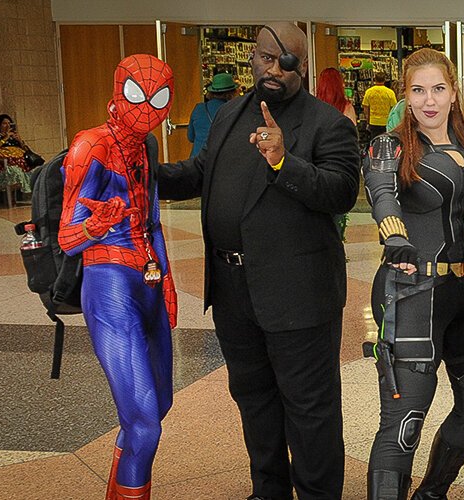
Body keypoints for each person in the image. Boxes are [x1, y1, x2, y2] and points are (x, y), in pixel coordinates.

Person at [153, 22, 360, 500]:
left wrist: (284, 161)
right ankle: (269, 491)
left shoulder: (327, 124)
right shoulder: (229, 115)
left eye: (284, 61)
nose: (272, 69)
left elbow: (341, 192)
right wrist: (145, 173)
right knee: (254, 401)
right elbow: (199, 172)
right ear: (252, 58)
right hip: (233, 291)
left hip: (299, 296)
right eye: (265, 58)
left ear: (302, 66)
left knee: (310, 410)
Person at [361, 48, 464, 500]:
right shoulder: (392, 147)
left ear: (455, 93)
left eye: (438, 89)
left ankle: (432, 493)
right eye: (418, 90)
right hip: (412, 288)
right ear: (406, 96)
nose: (429, 100)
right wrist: (394, 236)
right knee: (404, 422)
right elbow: (382, 194)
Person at [57, 54, 177, 500]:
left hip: (146, 278)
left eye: (158, 97)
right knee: (144, 422)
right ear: (118, 90)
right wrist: (96, 225)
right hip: (108, 280)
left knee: (156, 408)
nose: (147, 107)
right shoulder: (90, 146)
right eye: (137, 94)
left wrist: (165, 282)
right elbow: (67, 239)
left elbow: (153, 221)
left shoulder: (147, 147)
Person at [0, 114, 37, 192]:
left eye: (9, 123)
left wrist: (20, 141)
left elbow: (26, 150)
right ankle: (11, 198)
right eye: (4, 123)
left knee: (33, 172)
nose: (7, 125)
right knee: (15, 172)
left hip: (20, 163)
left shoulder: (14, 136)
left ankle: (31, 195)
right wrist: (5, 139)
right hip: (2, 164)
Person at [188, 73, 237, 158]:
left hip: (196, 161)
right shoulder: (234, 110)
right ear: (232, 93)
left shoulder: (199, 109)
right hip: (220, 161)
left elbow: (191, 137)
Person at [362, 74, 397, 140]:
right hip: (386, 122)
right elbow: (394, 108)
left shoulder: (369, 92)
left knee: (374, 140)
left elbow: (366, 108)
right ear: (384, 80)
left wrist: (367, 120)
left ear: (375, 80)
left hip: (373, 121)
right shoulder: (390, 92)